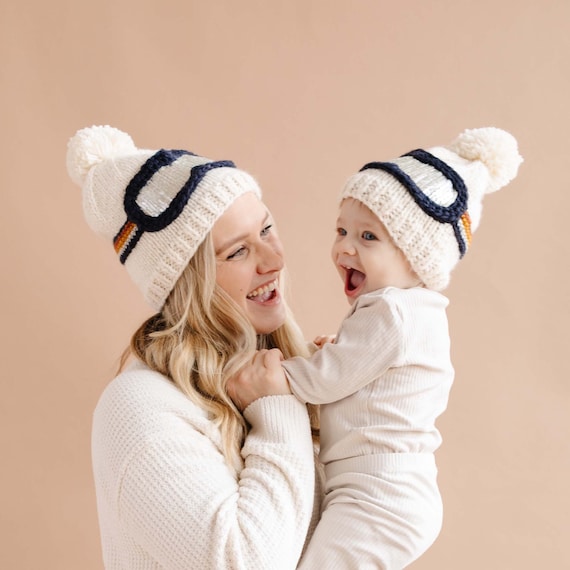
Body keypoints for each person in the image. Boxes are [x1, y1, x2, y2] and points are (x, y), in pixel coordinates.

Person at [230, 127, 523, 569]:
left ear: (416, 258)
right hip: (389, 492)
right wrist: (340, 353)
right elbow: (364, 376)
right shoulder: (413, 312)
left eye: (368, 237)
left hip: (377, 497)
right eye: (342, 230)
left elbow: (325, 381)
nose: (345, 247)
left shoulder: (391, 313)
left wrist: (274, 377)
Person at [66, 125, 322, 570]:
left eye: (266, 229)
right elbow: (249, 562)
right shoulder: (139, 408)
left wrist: (354, 407)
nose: (274, 260)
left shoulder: (276, 377)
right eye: (238, 251)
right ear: (190, 282)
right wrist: (278, 409)